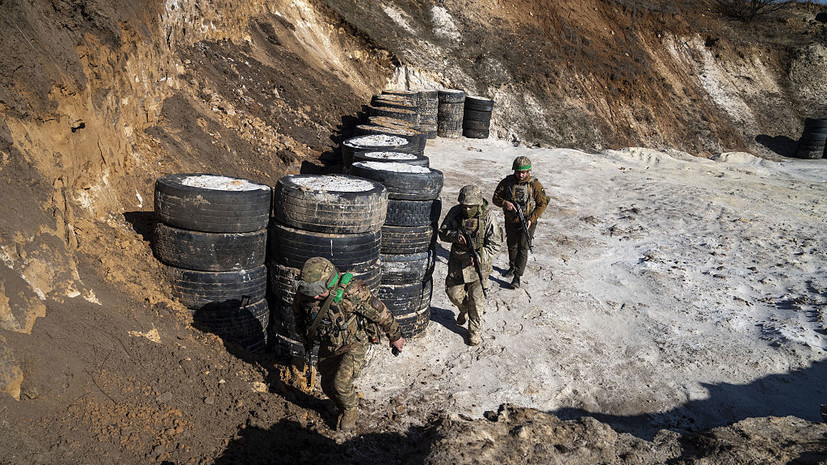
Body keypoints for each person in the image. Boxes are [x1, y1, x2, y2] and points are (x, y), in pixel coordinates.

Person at [292, 257, 405, 432]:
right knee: (327, 384)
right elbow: (298, 316)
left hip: (354, 343)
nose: (313, 296)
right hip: (329, 344)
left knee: (341, 385)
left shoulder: (352, 292)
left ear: (330, 283)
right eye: (310, 291)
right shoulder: (305, 294)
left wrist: (396, 336)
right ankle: (341, 404)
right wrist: (304, 338)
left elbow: (381, 313)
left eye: (318, 291)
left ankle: (349, 411)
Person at [438, 185, 503, 346]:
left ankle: (474, 331)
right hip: (457, 262)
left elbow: (495, 244)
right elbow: (442, 233)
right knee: (452, 293)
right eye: (464, 205)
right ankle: (463, 309)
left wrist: (482, 256)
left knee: (476, 301)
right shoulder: (455, 212)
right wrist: (455, 236)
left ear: (478, 204)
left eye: (470, 206)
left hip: (479, 266)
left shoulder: (488, 218)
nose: (466, 209)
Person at [492, 156, 548, 289]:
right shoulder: (507, 182)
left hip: (527, 221)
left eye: (523, 172)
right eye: (518, 172)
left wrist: (531, 219)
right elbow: (495, 198)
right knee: (512, 245)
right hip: (511, 220)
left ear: (528, 171)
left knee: (523, 247)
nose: (521, 175)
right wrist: (504, 203)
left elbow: (542, 203)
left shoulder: (534, 184)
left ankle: (517, 276)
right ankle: (512, 266)